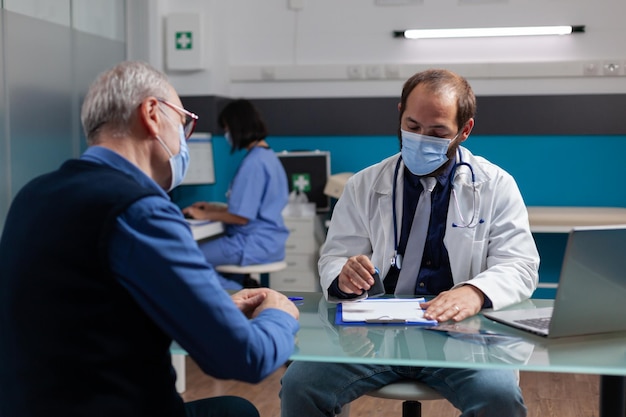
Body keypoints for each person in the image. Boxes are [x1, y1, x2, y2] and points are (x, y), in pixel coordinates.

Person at [0, 61, 299, 417]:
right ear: (153, 114)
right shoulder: (141, 209)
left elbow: (86, 310)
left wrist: (205, 309)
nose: (185, 138)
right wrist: (281, 316)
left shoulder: (34, 194)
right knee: (239, 410)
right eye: (184, 123)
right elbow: (246, 358)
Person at [279, 68, 540, 417]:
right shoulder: (364, 185)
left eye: (436, 132)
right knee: (300, 385)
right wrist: (344, 276)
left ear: (464, 130)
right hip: (375, 334)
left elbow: (521, 265)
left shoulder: (495, 186)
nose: (420, 139)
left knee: (497, 396)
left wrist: (474, 292)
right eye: (412, 127)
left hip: (461, 334)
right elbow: (334, 257)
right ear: (400, 113)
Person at [183, 99, 289, 289]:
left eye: (226, 129)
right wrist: (214, 208)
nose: (226, 135)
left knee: (188, 259)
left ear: (237, 127)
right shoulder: (268, 157)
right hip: (269, 241)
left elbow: (241, 217)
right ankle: (241, 286)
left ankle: (242, 293)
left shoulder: (254, 163)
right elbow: (255, 206)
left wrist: (204, 214)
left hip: (252, 242)